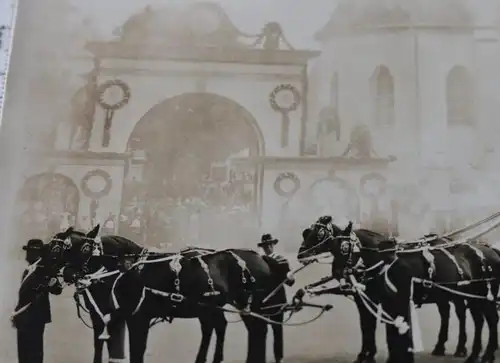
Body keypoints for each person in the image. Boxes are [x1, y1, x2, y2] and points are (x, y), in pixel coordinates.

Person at [12, 239, 63, 363]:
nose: (27, 255)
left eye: (30, 252)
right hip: (23, 316)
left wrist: (54, 283)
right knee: (23, 352)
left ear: (37, 254)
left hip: (36, 316)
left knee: (34, 352)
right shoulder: (28, 270)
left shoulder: (45, 269)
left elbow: (57, 290)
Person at [258, 234, 295, 363]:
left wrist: (290, 278)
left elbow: (290, 282)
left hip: (277, 299)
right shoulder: (258, 262)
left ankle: (279, 358)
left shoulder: (281, 260)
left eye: (270, 245)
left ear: (273, 245)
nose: (268, 247)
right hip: (262, 300)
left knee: (277, 329)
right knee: (261, 330)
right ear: (263, 247)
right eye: (265, 245)